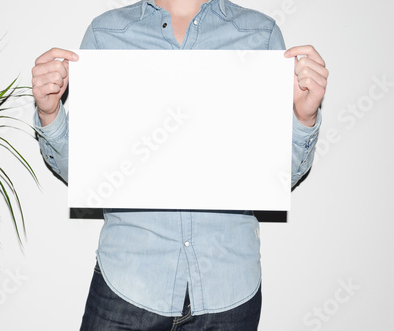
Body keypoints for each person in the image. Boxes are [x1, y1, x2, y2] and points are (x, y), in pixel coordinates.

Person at [31, 0, 328, 329]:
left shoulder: (260, 35)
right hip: (127, 283)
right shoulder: (106, 34)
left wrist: (304, 116)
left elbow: (278, 178)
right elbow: (87, 174)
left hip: (228, 290)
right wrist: (50, 113)